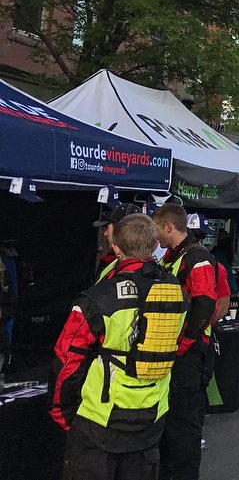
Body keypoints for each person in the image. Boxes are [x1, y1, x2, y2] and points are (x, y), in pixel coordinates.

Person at [51, 214, 188, 480]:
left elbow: (67, 359)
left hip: (99, 421)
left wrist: (61, 411)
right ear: (154, 244)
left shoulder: (98, 297)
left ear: (116, 247)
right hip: (152, 417)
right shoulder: (176, 292)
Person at [154, 203, 218, 480]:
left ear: (169, 227)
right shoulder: (170, 257)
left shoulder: (197, 257)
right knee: (168, 430)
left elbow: (205, 303)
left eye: (157, 228)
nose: (155, 235)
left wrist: (184, 344)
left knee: (184, 433)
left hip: (189, 357)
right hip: (171, 355)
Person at [92, 203, 142, 283]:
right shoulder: (111, 262)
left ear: (120, 229)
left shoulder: (138, 269)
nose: (105, 233)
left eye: (107, 228)